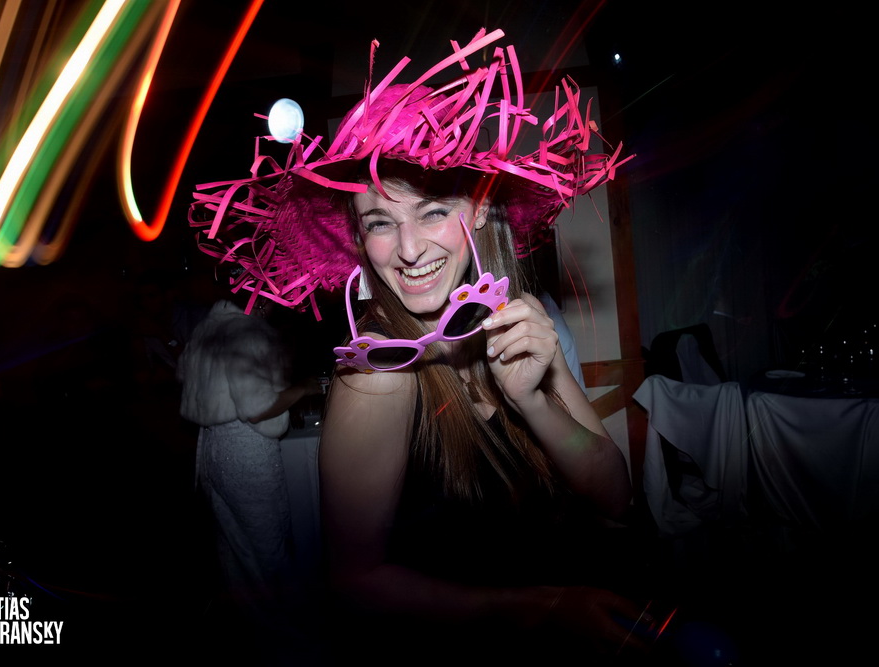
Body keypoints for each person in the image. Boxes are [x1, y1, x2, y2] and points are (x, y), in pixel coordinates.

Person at [189, 29, 644, 665]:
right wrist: (542, 609)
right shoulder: (378, 373)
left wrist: (536, 402)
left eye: (431, 212)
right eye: (380, 223)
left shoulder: (524, 320)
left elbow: (616, 497)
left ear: (480, 211)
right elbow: (356, 583)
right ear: (358, 237)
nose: (407, 250)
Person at [177, 298, 322, 663]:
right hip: (246, 448)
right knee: (268, 549)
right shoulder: (247, 332)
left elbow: (184, 376)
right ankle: (291, 645)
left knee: (235, 551)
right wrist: (304, 388)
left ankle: (256, 636)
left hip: (209, 446)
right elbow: (257, 407)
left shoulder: (207, 328)